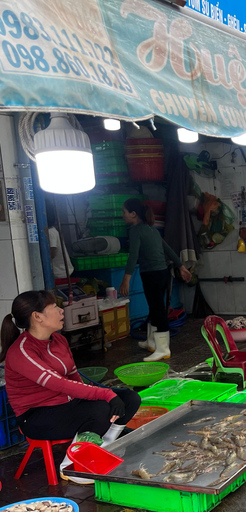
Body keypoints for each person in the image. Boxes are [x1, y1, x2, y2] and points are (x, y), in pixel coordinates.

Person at [1, 291, 141, 484]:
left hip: (66, 404)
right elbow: (60, 384)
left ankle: (103, 448)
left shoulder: (59, 340)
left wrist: (103, 394)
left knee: (130, 398)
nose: (61, 311)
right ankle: (71, 467)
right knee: (100, 408)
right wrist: (106, 395)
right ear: (37, 316)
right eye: (54, 308)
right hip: (35, 417)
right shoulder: (22, 352)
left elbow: (74, 378)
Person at [120, 199, 192, 361]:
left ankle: (163, 349)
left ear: (133, 214)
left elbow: (133, 255)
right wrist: (181, 266)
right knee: (154, 308)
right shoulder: (152, 230)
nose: (122, 215)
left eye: (123, 212)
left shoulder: (136, 231)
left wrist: (126, 278)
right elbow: (168, 249)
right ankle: (152, 342)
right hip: (163, 274)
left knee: (158, 310)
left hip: (151, 275)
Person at [46, 207, 73, 280]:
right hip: (60, 271)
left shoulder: (50, 232)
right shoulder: (52, 230)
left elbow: (52, 253)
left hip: (60, 272)